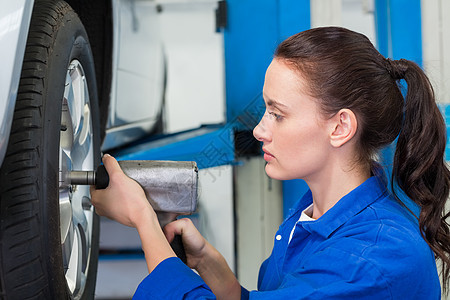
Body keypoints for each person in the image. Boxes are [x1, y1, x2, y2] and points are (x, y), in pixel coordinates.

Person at [90, 26, 450, 299]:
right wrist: (213, 269)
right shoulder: (313, 215)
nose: (260, 130)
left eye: (278, 114)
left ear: (340, 127)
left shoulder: (375, 259)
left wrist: (143, 220)